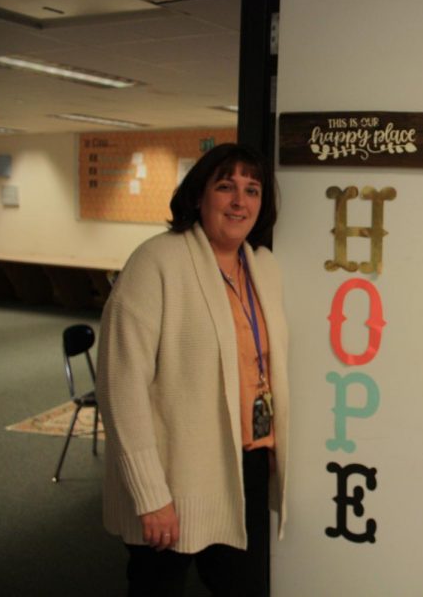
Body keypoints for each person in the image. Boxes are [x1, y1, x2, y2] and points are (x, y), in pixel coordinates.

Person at [96, 143, 288, 597]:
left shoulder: (263, 267)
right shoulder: (157, 261)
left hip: (246, 463)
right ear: (198, 196)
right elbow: (120, 386)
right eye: (226, 187)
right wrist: (150, 494)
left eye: (252, 189)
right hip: (175, 477)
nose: (240, 201)